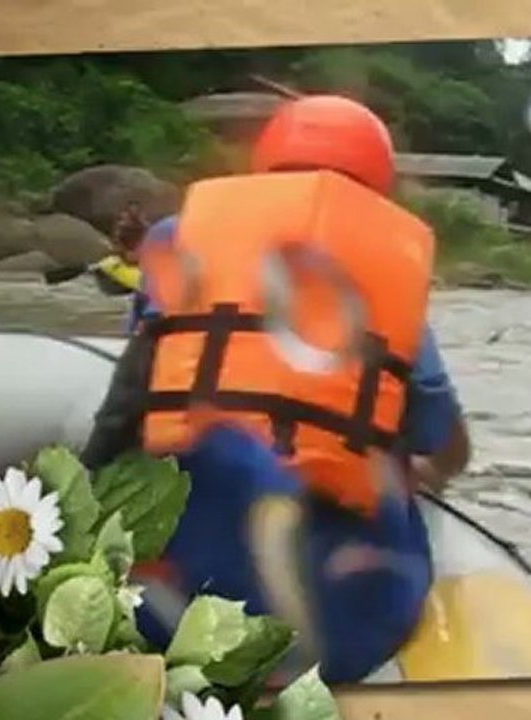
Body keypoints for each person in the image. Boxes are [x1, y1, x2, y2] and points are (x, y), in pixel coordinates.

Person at [80, 95, 470, 685]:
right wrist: (424, 468)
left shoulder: (179, 235)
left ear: (265, 163)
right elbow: (445, 443)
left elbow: (136, 390)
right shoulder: (393, 273)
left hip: (165, 605)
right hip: (341, 631)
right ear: (378, 187)